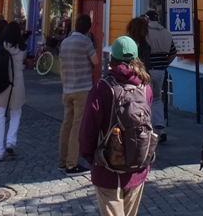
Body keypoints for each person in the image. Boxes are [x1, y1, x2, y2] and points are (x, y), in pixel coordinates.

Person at [79, 36, 154, 216]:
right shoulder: (145, 88)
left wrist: (91, 158)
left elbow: (88, 129)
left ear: (112, 59)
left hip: (107, 167)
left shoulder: (103, 88)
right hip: (137, 166)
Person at [58, 13, 99, 175]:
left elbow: (61, 67)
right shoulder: (85, 41)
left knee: (66, 124)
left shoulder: (65, 42)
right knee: (77, 126)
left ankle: (62, 160)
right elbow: (95, 61)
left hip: (67, 88)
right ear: (88, 28)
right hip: (82, 88)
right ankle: (71, 164)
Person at [0, 21, 26, 161]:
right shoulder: (22, 48)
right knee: (16, 114)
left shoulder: (0, 46)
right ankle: (11, 142)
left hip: (1, 84)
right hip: (17, 84)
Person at [144, 9, 176, 143]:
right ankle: (161, 128)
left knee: (145, 99)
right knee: (157, 98)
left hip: (147, 69)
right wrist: (164, 64)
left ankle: (147, 129)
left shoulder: (144, 33)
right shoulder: (167, 33)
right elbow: (173, 53)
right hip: (161, 70)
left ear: (147, 19)